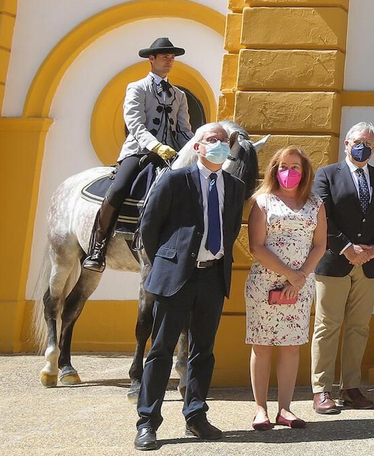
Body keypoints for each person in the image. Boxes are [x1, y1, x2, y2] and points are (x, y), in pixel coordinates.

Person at [133, 122, 246, 450]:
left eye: (224, 141)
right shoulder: (174, 179)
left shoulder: (235, 186)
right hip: (176, 277)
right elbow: (150, 227)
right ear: (198, 146)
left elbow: (231, 229)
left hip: (213, 277)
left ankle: (195, 414)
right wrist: (168, 262)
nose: (220, 145)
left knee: (203, 351)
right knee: (161, 350)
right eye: (213, 140)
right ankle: (147, 421)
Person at [85, 37, 192, 271]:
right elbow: (135, 124)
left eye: (172, 58)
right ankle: (97, 247)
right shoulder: (137, 88)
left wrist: (196, 146)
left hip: (171, 154)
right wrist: (156, 146)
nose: (169, 61)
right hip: (141, 151)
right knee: (120, 187)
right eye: (165, 57)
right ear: (151, 59)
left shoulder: (180, 95)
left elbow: (184, 130)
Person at [309, 122, 374, 414]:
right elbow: (321, 216)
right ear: (346, 143)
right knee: (327, 325)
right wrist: (347, 247)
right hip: (334, 262)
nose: (364, 147)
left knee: (358, 327)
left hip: (368, 265)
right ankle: (322, 390)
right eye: (359, 141)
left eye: (370, 144)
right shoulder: (327, 174)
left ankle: (351, 387)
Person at [244, 147, 327, 430]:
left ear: (304, 172)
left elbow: (319, 245)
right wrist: (290, 274)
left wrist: (301, 276)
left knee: (291, 347)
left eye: (295, 166)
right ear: (273, 170)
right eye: (282, 166)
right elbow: (256, 246)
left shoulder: (315, 204)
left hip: (300, 286)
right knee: (263, 346)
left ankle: (285, 409)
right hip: (265, 284)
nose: (288, 172)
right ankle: (260, 409)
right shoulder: (262, 201)